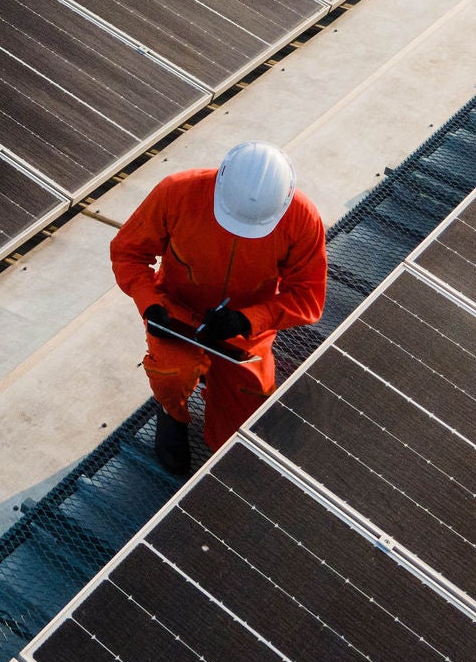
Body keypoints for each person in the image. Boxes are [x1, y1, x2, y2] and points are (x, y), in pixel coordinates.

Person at [110, 142, 327, 474]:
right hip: (176, 314)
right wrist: (150, 303)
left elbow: (307, 297)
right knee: (172, 371)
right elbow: (128, 252)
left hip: (243, 331)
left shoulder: (302, 219)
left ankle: (220, 422)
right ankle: (172, 413)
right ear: (220, 184)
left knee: (239, 427)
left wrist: (248, 319)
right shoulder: (176, 193)